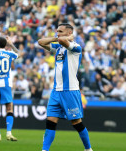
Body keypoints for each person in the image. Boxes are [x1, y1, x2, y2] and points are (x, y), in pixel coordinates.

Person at [38, 23, 93, 151]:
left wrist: (65, 38)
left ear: (69, 33)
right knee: (50, 122)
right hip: (56, 91)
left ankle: (88, 149)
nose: (57, 33)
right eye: (57, 30)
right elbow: (41, 42)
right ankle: (44, 150)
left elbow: (63, 40)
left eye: (60, 31)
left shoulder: (76, 47)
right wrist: (57, 38)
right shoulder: (58, 48)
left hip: (70, 90)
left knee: (76, 123)